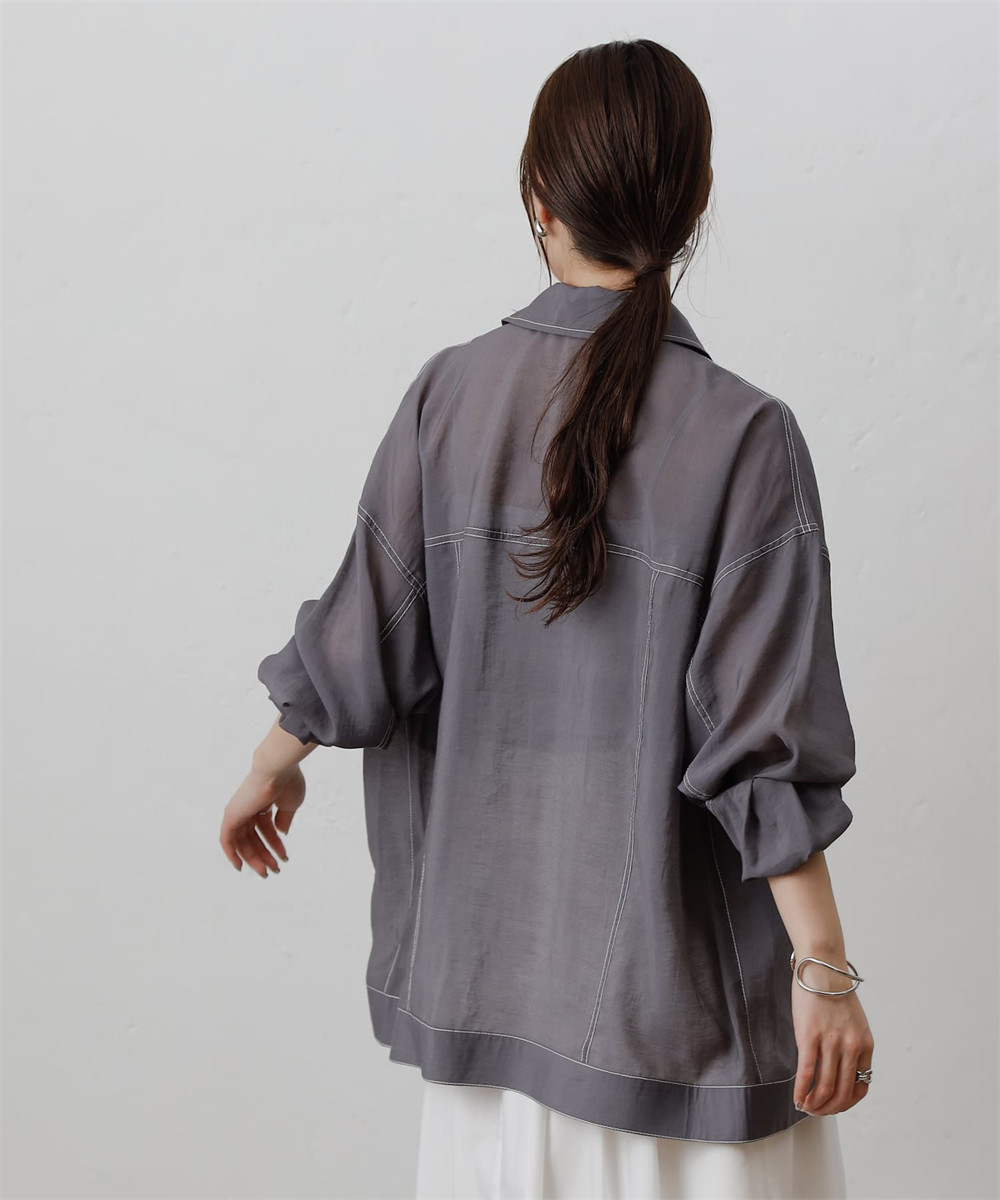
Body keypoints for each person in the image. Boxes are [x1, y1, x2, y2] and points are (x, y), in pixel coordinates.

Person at [220, 37, 875, 1200]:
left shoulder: (448, 395)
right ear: (693, 201)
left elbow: (367, 631)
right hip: (676, 1053)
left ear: (538, 197)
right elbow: (761, 748)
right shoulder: (744, 437)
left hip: (486, 1022)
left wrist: (272, 763)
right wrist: (822, 970)